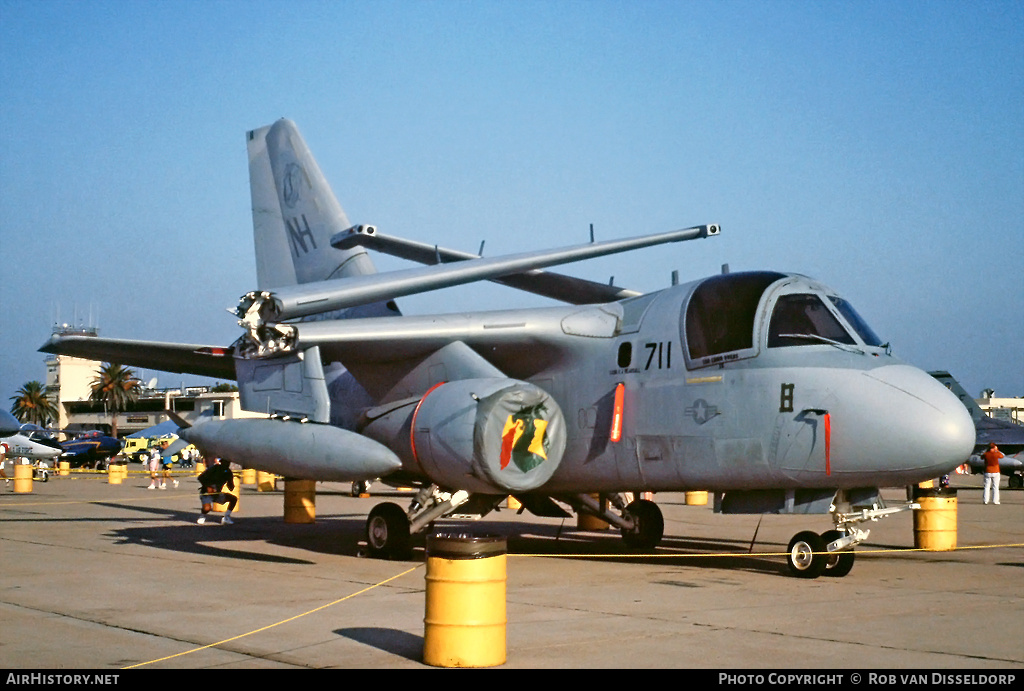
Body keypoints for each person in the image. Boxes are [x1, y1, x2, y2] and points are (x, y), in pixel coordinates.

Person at [196, 457, 236, 524]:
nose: (226, 464)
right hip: (206, 493)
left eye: (228, 463)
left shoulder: (228, 472)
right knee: (207, 508)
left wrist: (231, 483)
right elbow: (200, 478)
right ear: (221, 462)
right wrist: (208, 486)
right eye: (225, 462)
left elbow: (231, 487)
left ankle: (226, 517)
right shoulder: (214, 468)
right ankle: (202, 516)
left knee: (233, 499)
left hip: (217, 493)